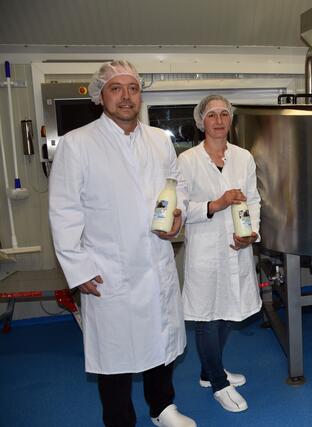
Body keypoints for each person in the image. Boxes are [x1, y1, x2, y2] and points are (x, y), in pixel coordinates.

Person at [48, 60, 195, 427]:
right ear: (100, 96)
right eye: (116, 89)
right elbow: (64, 211)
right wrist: (78, 268)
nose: (126, 96)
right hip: (109, 268)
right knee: (114, 353)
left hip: (155, 260)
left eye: (133, 88)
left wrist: (178, 216)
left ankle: (162, 407)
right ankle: (119, 419)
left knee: (160, 340)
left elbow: (178, 188)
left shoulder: (160, 141)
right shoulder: (77, 144)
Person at [177, 94, 261, 413]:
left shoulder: (244, 157)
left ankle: (206, 370)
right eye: (211, 115)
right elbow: (181, 209)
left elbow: (254, 200)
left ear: (230, 120)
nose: (218, 120)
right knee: (207, 316)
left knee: (229, 310)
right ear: (202, 121)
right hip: (205, 247)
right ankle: (218, 383)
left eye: (224, 114)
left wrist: (251, 233)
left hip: (237, 246)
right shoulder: (187, 161)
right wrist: (217, 204)